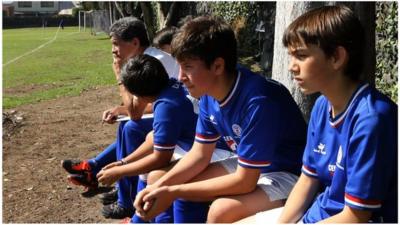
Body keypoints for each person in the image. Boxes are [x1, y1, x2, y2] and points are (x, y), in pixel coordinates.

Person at [133, 16, 307, 223]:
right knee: (158, 180)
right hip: (249, 165)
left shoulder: (258, 101)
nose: (180, 77)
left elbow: (245, 182)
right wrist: (161, 188)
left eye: (187, 67)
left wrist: (173, 190)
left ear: (217, 66)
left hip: (288, 173)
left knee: (220, 210)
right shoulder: (208, 93)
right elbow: (199, 155)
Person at [240, 5, 398, 223]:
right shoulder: (323, 105)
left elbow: (356, 216)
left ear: (337, 57)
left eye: (301, 56)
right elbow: (307, 180)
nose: (291, 67)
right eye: (291, 56)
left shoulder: (372, 119)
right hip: (320, 214)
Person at [61, 17, 179, 219]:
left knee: (132, 127)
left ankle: (125, 198)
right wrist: (120, 109)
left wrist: (118, 75)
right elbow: (143, 104)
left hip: (183, 120)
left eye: (116, 43)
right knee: (126, 126)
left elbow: (137, 111)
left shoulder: (151, 62)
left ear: (134, 43)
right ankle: (104, 174)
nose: (113, 50)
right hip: (171, 113)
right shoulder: (146, 57)